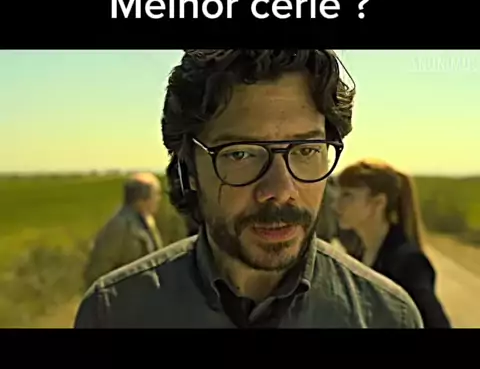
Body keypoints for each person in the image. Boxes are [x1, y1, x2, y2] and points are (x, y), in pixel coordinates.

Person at [74, 49, 423, 329]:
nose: (280, 190)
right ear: (189, 167)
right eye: (241, 154)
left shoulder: (387, 316)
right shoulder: (114, 312)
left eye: (306, 151)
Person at [334, 159, 451, 329]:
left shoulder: (408, 263)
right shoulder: (357, 257)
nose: (336, 204)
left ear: (378, 203)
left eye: (347, 195)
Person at [83, 172, 163, 289]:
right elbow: (98, 271)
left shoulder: (147, 221)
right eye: (156, 194)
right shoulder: (118, 227)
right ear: (141, 199)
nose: (158, 199)